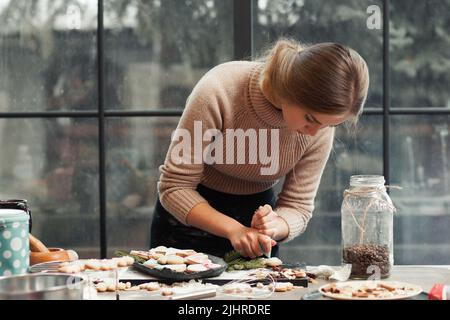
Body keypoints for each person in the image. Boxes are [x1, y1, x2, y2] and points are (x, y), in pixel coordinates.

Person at [150, 38, 369, 259]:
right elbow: (174, 187)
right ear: (292, 89)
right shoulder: (218, 89)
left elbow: (298, 206)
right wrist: (234, 229)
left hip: (256, 229)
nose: (315, 132)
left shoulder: (320, 127)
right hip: (187, 223)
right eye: (310, 118)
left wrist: (276, 225)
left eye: (331, 124)